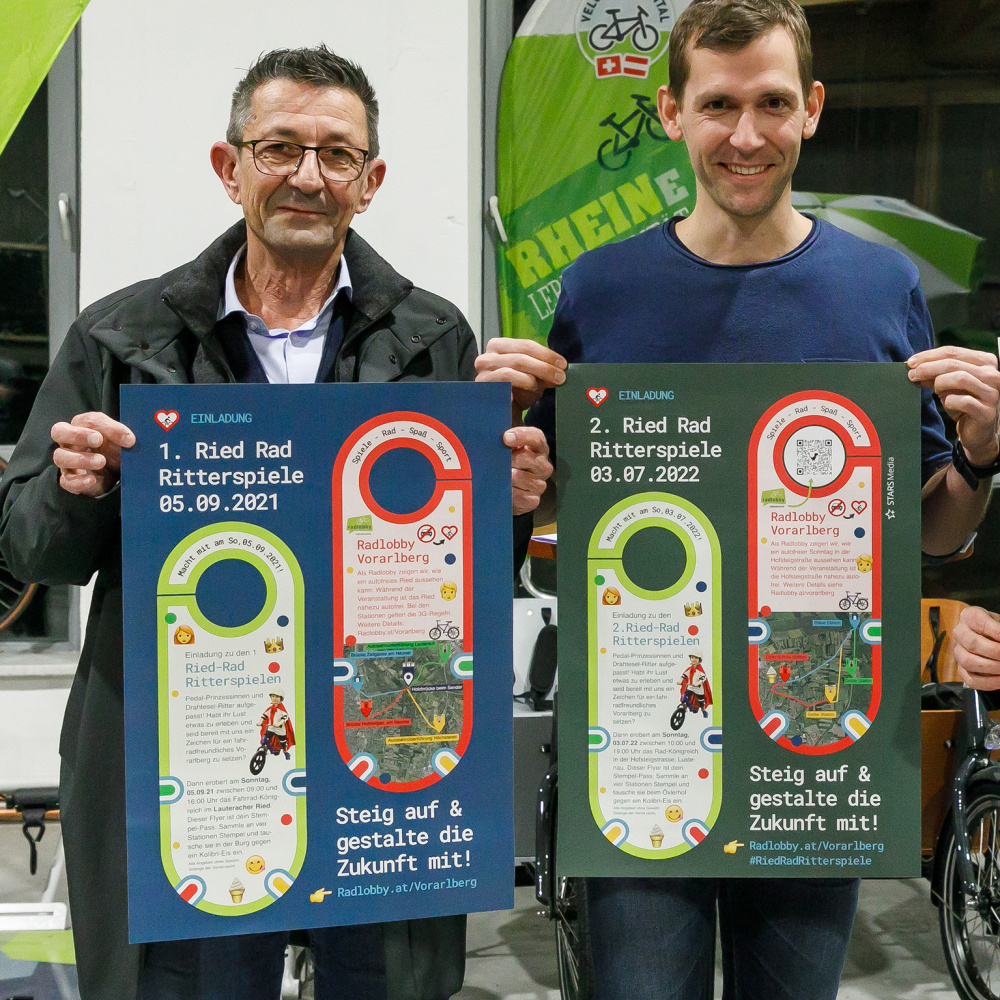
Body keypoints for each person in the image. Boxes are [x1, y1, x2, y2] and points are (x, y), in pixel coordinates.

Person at [0, 45, 551, 1000]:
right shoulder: (120, 335)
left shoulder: (435, 338)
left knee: (382, 983)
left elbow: (465, 577)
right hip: (190, 744)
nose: (308, 175)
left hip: (381, 733)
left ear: (370, 182)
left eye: (337, 154)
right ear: (231, 167)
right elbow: (28, 545)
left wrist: (511, 502)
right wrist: (75, 485)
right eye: (280, 147)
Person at [475, 1, 1000, 997]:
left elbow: (929, 533)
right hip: (640, 731)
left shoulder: (879, 287)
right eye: (718, 105)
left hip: (815, 733)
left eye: (771, 103)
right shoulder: (599, 288)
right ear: (672, 113)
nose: (746, 135)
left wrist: (978, 458)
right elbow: (554, 504)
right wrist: (504, 463)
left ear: (813, 108)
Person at [260, 688, 295, 759]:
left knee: (283, 742)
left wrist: (279, 723)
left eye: (277, 697)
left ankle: (285, 752)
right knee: (265, 738)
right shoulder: (270, 708)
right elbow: (264, 715)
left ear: (281, 698)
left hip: (280, 729)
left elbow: (285, 718)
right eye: (273, 696)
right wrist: (260, 721)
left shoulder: (281, 710)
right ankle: (264, 749)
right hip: (271, 727)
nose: (274, 698)